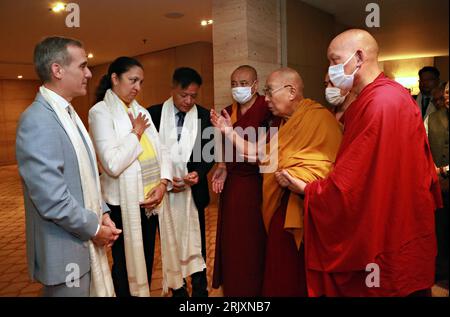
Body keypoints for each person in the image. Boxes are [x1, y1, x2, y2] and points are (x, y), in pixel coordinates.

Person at [279, 29, 442, 297]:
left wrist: (309, 191)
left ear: (358, 57)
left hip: (387, 233)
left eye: (334, 60)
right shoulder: (380, 97)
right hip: (400, 225)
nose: (331, 70)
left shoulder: (380, 102)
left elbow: (353, 184)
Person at [211, 67, 342, 296]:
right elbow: (261, 154)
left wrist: (300, 179)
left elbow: (331, 166)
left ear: (291, 92)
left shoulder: (318, 117)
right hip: (282, 204)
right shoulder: (284, 123)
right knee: (280, 269)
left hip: (307, 209)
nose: (267, 99)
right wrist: (229, 133)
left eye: (270, 92)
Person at [15, 36, 120, 297]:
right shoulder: (38, 120)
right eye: (83, 66)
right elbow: (51, 198)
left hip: (81, 239)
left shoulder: (68, 113)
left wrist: (102, 211)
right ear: (57, 70)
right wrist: (95, 229)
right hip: (65, 252)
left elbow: (84, 175)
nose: (88, 73)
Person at [89, 57, 183, 297]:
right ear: (114, 78)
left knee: (146, 259)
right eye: (132, 80)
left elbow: (162, 149)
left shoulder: (139, 110)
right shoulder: (100, 112)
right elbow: (112, 163)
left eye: (141, 82)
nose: (137, 87)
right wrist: (136, 133)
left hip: (151, 201)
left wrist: (163, 183)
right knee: (125, 266)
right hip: (122, 203)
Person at [147, 67, 214, 297]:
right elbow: (148, 156)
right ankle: (178, 291)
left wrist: (198, 173)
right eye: (183, 95)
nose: (188, 101)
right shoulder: (153, 115)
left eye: (193, 96)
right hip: (164, 193)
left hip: (192, 193)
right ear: (173, 89)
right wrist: (164, 179)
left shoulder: (204, 116)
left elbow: (208, 154)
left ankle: (200, 292)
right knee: (170, 243)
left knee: (197, 245)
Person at [211, 65, 275, 296]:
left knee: (253, 240)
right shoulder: (229, 112)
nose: (238, 88)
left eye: (244, 83)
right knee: (232, 240)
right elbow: (225, 149)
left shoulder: (267, 110)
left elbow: (266, 153)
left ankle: (254, 288)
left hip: (257, 184)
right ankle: (234, 287)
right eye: (234, 84)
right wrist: (222, 167)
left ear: (256, 85)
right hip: (234, 184)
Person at [424, 81, 449, 284]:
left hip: (443, 175)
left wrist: (445, 170)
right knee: (439, 230)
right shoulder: (431, 119)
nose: (447, 97)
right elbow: (421, 147)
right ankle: (439, 273)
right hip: (438, 186)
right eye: (446, 93)